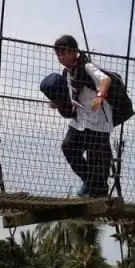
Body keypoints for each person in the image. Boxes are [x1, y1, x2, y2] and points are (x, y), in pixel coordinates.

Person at [51, 35, 113, 198]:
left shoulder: (86, 67)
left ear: (73, 51)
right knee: (69, 147)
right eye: (58, 53)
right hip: (80, 121)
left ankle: (97, 191)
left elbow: (105, 80)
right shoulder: (67, 73)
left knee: (97, 161)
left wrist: (100, 96)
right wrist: (59, 104)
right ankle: (90, 183)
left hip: (97, 122)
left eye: (63, 52)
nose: (60, 56)